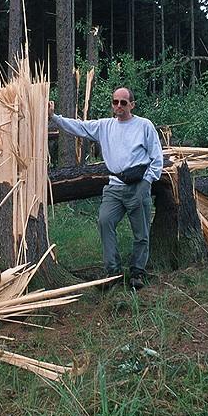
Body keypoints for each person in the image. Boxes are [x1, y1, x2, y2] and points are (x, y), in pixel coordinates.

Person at [48, 87, 163, 290]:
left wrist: (145, 185)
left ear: (132, 105)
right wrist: (54, 118)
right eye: (115, 102)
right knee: (104, 221)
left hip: (138, 185)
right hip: (114, 187)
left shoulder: (144, 126)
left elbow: (157, 158)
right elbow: (79, 127)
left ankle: (137, 272)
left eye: (123, 102)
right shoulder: (105, 126)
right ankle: (113, 272)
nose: (118, 106)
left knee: (141, 232)